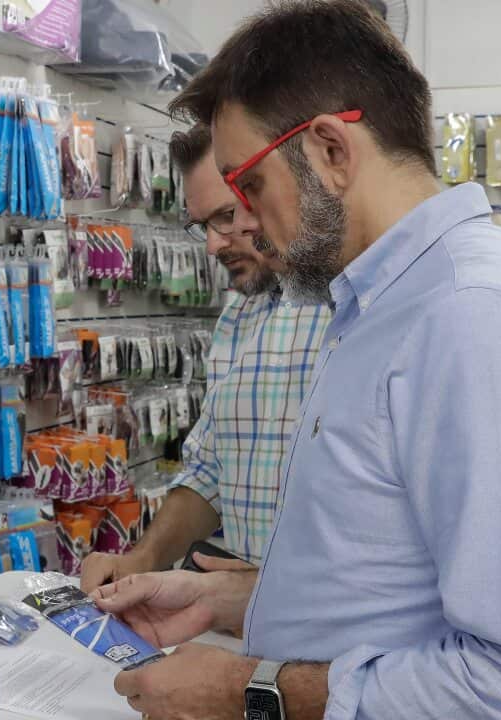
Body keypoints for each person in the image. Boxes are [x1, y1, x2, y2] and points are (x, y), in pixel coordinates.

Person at [93, 2, 501, 719]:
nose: (243, 223)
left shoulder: (476, 321)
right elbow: (404, 589)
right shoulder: (385, 310)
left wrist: (245, 690)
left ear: (329, 151)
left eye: (249, 184)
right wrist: (231, 598)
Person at [79, 123, 330, 593]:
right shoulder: (240, 312)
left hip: (352, 652)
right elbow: (210, 468)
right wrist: (145, 558)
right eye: (203, 226)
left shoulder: (354, 312)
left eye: (227, 215)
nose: (214, 244)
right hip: (253, 636)